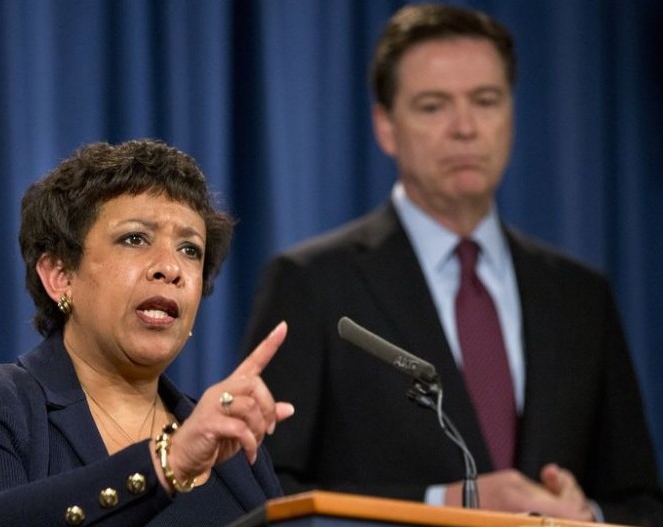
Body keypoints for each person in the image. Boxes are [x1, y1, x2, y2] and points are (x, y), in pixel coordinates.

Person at [241, 3, 663, 526]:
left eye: (486, 101)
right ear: (385, 126)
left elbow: (642, 501)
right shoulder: (312, 283)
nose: (465, 128)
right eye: (433, 106)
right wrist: (446, 503)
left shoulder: (581, 294)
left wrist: (585, 515)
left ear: (511, 113)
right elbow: (263, 492)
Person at [0, 139, 295, 526]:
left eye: (190, 249)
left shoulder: (236, 453)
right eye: (135, 238)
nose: (171, 268)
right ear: (60, 277)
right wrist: (168, 463)